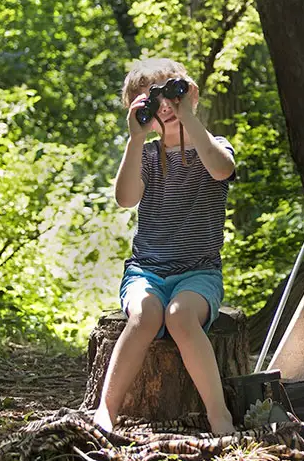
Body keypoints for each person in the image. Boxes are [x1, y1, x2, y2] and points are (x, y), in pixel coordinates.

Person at [93, 58, 236, 435]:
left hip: (199, 272)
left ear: (190, 95)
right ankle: (106, 409)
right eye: (151, 103)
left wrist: (188, 117)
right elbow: (125, 198)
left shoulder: (213, 146)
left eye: (170, 94)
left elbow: (220, 169)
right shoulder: (146, 156)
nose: (165, 107)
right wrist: (136, 139)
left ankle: (218, 414)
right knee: (144, 317)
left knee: (180, 317)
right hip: (146, 271)